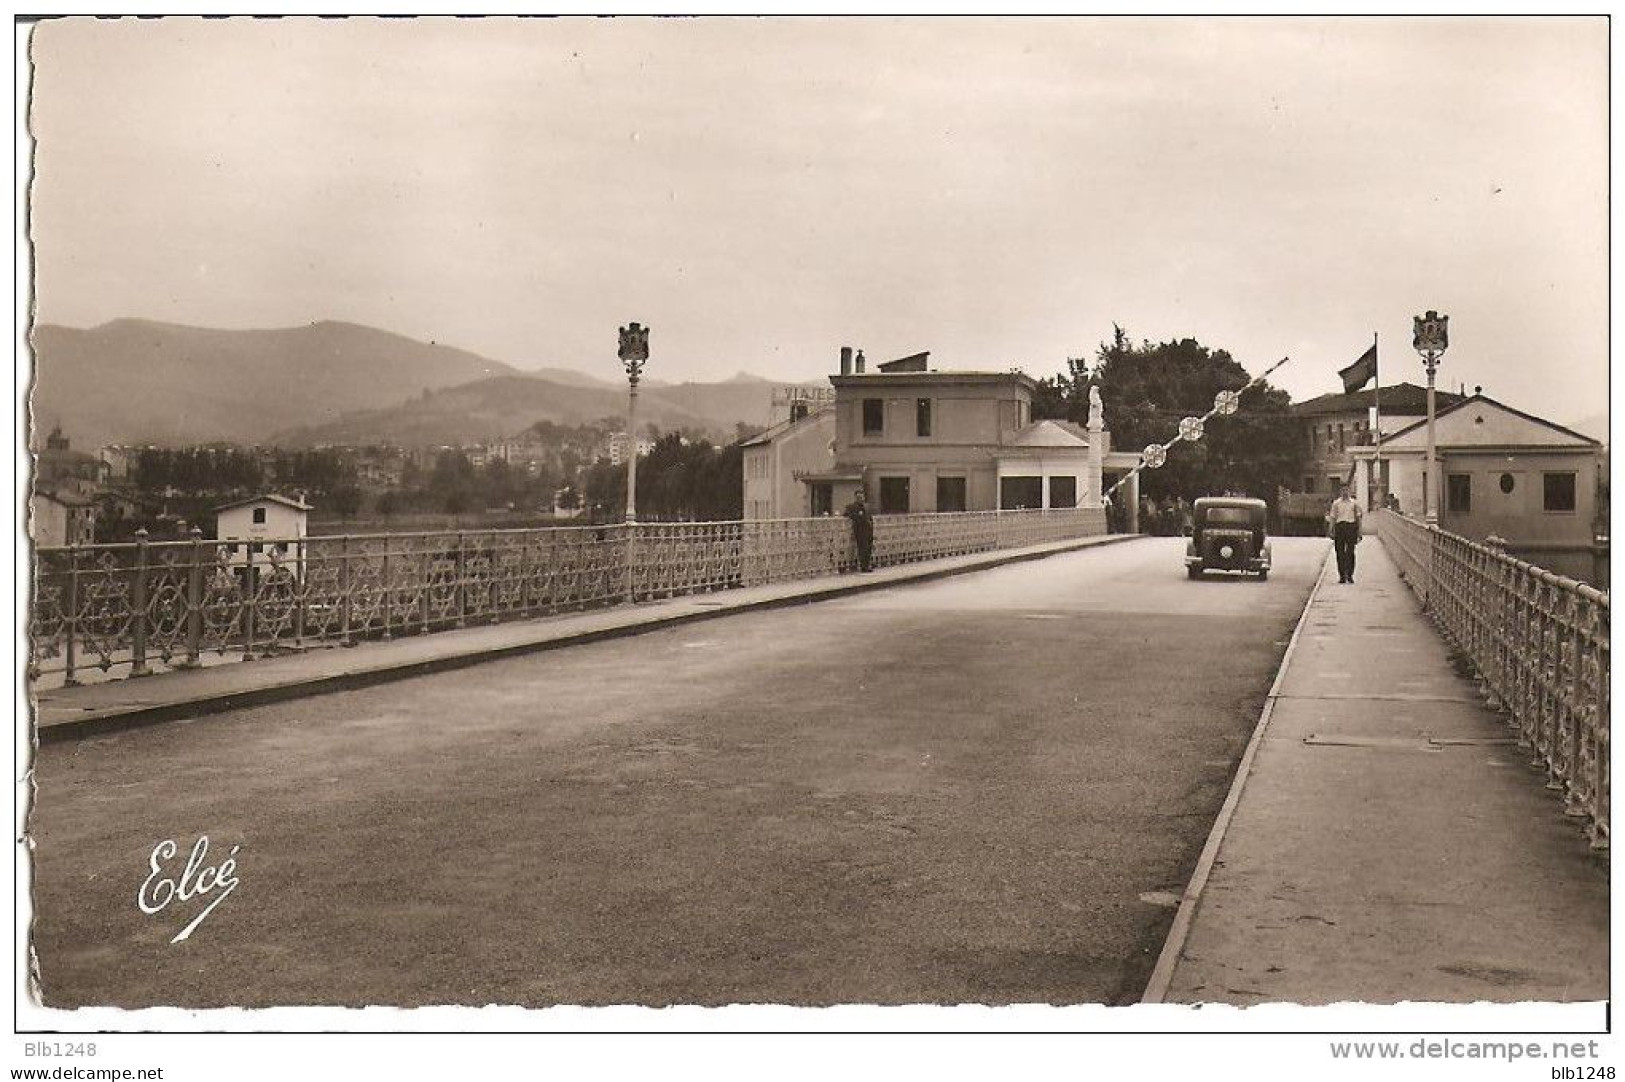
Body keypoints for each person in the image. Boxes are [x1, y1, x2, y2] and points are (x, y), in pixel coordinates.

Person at [1326, 481, 1364, 583]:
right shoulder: (1336, 503)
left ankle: (1350, 575)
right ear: (1340, 491)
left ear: (1350, 491)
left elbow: (1358, 517)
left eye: (1347, 490)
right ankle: (1342, 575)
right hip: (1340, 527)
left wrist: (1360, 531)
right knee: (1339, 552)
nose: (1345, 492)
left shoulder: (1354, 503)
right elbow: (1333, 517)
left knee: (1350, 552)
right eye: (1343, 490)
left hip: (1351, 527)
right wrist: (1331, 530)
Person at [842, 488, 875, 572]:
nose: (860, 499)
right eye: (858, 497)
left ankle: (867, 564)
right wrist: (856, 517)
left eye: (862, 497)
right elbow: (847, 514)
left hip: (868, 530)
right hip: (859, 530)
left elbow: (870, 517)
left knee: (869, 548)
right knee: (862, 548)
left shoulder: (867, 506)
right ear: (856, 498)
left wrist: (871, 525)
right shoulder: (851, 507)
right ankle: (864, 566)